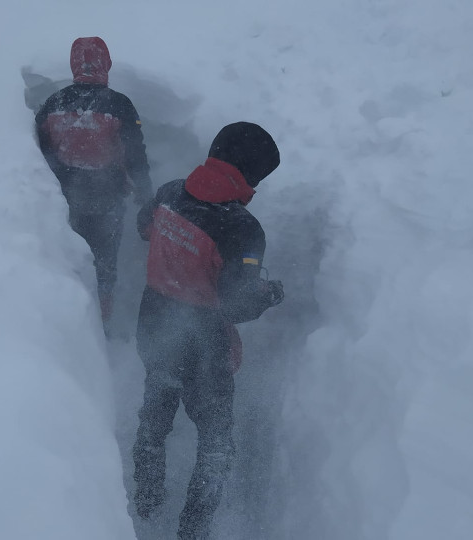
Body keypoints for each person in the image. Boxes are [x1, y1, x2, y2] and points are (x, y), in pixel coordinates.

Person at [131, 122, 285, 539]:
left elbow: (144, 227)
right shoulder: (242, 229)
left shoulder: (170, 192)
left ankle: (145, 502)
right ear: (251, 173)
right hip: (203, 347)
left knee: (154, 416)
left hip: (154, 326)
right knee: (216, 444)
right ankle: (193, 532)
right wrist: (268, 294)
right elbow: (237, 304)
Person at [35, 37, 152, 328]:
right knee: (104, 264)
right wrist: (144, 192)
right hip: (107, 199)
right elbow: (135, 154)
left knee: (68, 261)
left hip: (65, 200)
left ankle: (69, 322)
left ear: (75, 64)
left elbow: (40, 150)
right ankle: (101, 324)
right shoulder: (119, 104)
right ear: (106, 64)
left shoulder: (54, 102)